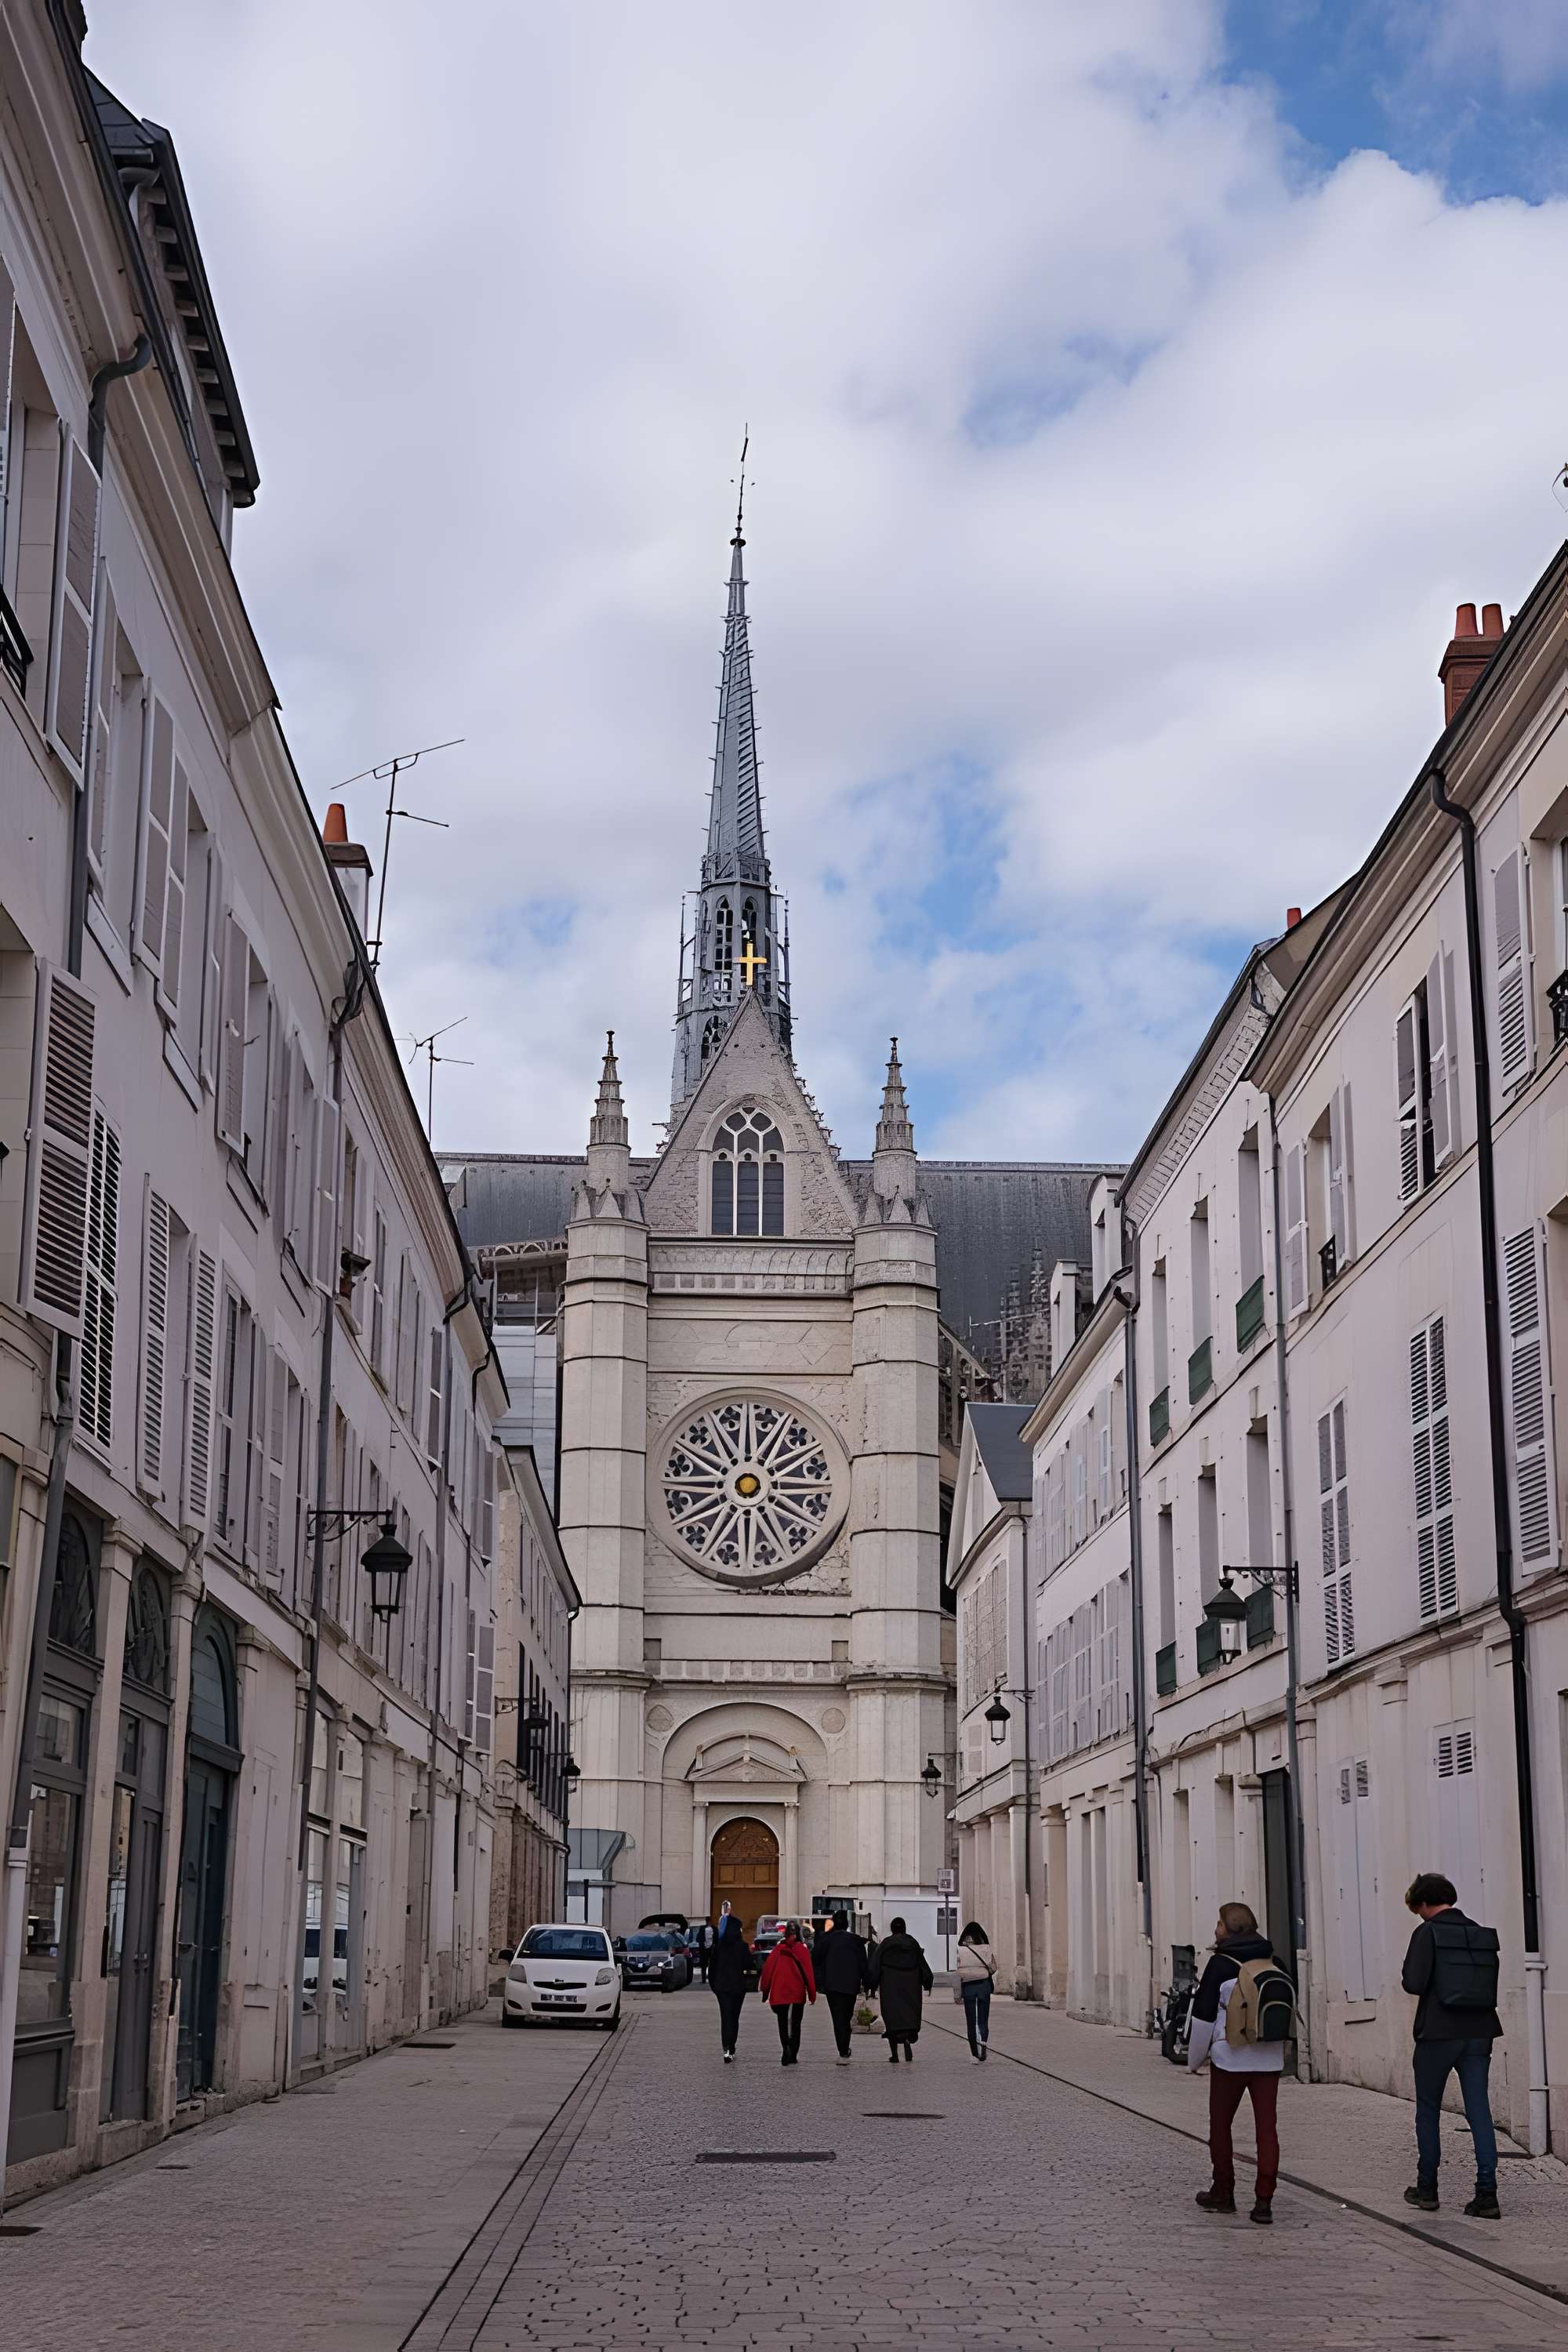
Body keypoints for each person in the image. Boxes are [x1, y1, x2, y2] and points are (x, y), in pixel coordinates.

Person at [1399, 1871, 1503, 2220]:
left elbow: (1413, 1983)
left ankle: (1427, 2188)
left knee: (1428, 2109)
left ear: (1423, 1903)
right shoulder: (1481, 1934)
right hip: (1480, 2031)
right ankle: (1487, 2194)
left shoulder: (1427, 1932)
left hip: (1439, 2032)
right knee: (1479, 2111)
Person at [1187, 1902, 1287, 2224]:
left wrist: (1193, 2061)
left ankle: (1223, 2191)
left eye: (1219, 1923)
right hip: (1269, 2057)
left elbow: (1202, 2017)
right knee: (1266, 2129)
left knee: (1221, 2125)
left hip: (1230, 2057)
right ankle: (1264, 2201)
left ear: (1230, 1928)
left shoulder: (1219, 1964)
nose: (1215, 1928)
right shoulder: (1275, 1960)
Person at [870, 1916, 932, 2062]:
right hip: (911, 1986)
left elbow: (875, 1964)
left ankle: (895, 2055)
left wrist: (871, 1983)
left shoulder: (886, 1944)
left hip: (890, 1986)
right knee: (909, 2017)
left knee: (892, 2019)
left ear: (892, 1929)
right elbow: (923, 1964)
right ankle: (907, 2041)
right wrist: (927, 1982)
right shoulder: (912, 1943)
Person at [758, 1918, 816, 2065]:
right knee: (796, 2024)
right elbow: (808, 1974)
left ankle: (786, 2048)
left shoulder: (778, 1950)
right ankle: (793, 2054)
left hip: (779, 1992)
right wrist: (812, 1994)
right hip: (797, 1992)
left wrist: (765, 1992)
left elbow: (767, 1972)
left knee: (782, 2023)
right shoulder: (802, 1950)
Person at [817, 1909, 871, 2063]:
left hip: (832, 1985)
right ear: (847, 1925)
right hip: (851, 1985)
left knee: (838, 2017)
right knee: (846, 2016)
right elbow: (863, 1964)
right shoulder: (856, 1941)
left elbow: (815, 1959)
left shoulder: (826, 1940)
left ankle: (843, 2049)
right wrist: (867, 1983)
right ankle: (844, 2046)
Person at [708, 1904, 752, 2063]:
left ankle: (726, 2048)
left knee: (725, 2017)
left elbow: (711, 1968)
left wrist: (715, 1986)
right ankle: (731, 2046)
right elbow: (749, 1965)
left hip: (722, 1987)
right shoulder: (742, 1947)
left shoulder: (719, 1947)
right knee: (734, 2017)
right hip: (738, 1988)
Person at [954, 1921, 997, 2060]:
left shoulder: (961, 1950)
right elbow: (994, 1967)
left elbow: (958, 1973)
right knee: (983, 2019)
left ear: (966, 1938)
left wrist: (957, 1993)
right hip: (984, 1985)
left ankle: (974, 2052)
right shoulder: (986, 1948)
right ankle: (983, 2042)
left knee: (971, 2020)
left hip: (968, 1987)